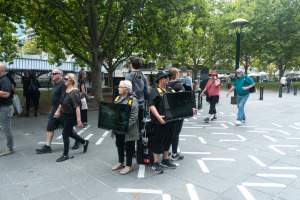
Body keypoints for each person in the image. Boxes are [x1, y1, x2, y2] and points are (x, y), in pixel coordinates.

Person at [54, 73, 89, 162]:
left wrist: (79, 120)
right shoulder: (67, 89)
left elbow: (77, 107)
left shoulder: (74, 92)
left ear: (71, 80)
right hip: (64, 115)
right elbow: (62, 102)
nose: (64, 80)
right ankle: (84, 142)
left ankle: (65, 155)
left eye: (66, 79)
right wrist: (58, 111)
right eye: (64, 78)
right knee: (70, 133)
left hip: (71, 116)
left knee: (65, 134)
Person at [148, 71, 177, 174]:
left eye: (168, 78)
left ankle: (165, 159)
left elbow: (177, 100)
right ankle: (156, 162)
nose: (167, 79)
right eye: (165, 78)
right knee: (158, 141)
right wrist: (158, 116)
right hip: (159, 121)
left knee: (168, 139)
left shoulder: (170, 89)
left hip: (170, 120)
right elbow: (151, 105)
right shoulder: (154, 91)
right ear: (160, 79)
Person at [35, 68, 69, 154]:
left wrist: (58, 111)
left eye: (55, 73)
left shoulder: (63, 84)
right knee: (50, 127)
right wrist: (53, 109)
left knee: (67, 128)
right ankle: (47, 146)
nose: (52, 75)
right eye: (52, 73)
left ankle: (80, 140)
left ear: (60, 75)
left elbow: (63, 99)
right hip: (54, 109)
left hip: (62, 110)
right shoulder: (55, 83)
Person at [111, 80, 138, 174]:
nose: (118, 88)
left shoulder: (133, 100)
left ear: (126, 89)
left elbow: (133, 117)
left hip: (128, 129)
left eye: (120, 87)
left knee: (129, 147)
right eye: (119, 86)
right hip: (118, 128)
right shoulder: (117, 98)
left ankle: (128, 165)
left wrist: (123, 125)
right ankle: (121, 162)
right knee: (119, 145)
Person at [167, 67, 185, 161]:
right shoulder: (179, 85)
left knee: (168, 133)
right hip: (178, 112)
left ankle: (166, 152)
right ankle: (174, 153)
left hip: (167, 112)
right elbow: (183, 99)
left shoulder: (165, 85)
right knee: (176, 133)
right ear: (176, 74)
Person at [0, 63, 14, 156]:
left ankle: (9, 148)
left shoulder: (5, 80)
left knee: (6, 128)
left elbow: (6, 94)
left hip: (5, 108)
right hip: (2, 107)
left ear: (1, 70)